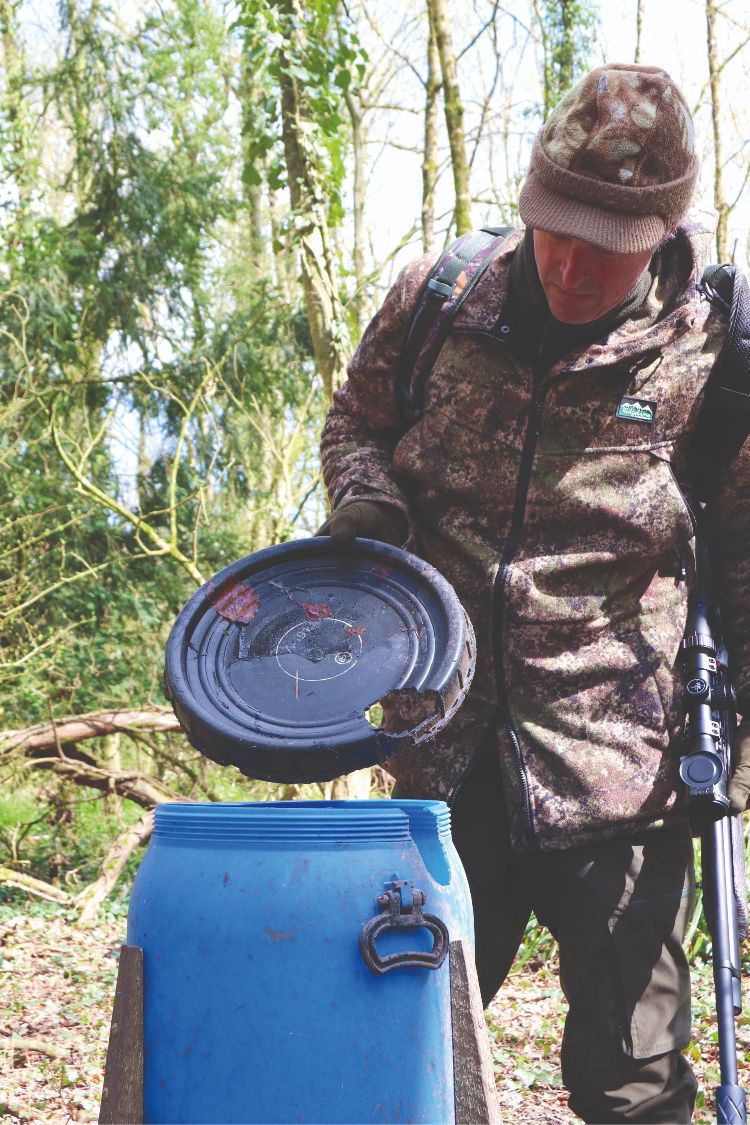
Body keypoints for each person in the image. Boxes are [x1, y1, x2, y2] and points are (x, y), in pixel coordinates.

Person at [320, 63, 750, 1123]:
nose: (569, 265)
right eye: (554, 227)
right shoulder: (439, 301)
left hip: (620, 770)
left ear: (661, 232)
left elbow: (741, 555)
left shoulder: (717, 357)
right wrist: (368, 504)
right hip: (439, 749)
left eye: (606, 245)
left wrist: (737, 749)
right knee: (397, 1054)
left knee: (634, 1082)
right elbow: (356, 425)